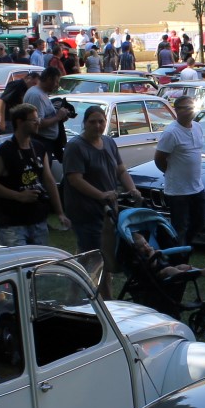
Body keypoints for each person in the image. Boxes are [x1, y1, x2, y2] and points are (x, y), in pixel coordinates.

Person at [64, 105, 142, 292]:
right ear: (84, 123)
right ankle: (92, 299)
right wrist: (101, 195)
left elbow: (121, 170)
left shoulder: (109, 142)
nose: (97, 126)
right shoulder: (76, 147)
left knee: (101, 255)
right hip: (85, 210)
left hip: (108, 212)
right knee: (94, 257)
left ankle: (92, 294)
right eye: (93, 122)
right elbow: (75, 180)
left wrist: (132, 188)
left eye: (101, 121)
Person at [0, 102, 68, 245]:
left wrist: (60, 212)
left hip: (38, 220)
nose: (38, 123)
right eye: (33, 120)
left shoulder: (39, 148)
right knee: (20, 265)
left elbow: (49, 180)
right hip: (12, 223)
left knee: (40, 264)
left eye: (37, 119)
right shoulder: (4, 152)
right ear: (20, 122)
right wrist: (19, 196)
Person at [155, 95, 205, 246]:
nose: (190, 111)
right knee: (180, 228)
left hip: (197, 187)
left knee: (200, 221)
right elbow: (159, 159)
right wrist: (170, 173)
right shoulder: (171, 133)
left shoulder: (197, 127)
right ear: (176, 110)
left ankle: (185, 250)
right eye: (185, 108)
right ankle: (178, 260)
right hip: (178, 192)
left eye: (192, 107)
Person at [23, 66, 68, 160]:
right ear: (48, 79)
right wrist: (58, 117)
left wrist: (61, 116)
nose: (57, 85)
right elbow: (37, 123)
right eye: (56, 81)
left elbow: (47, 116)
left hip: (47, 144)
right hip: (41, 143)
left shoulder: (42, 93)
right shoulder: (36, 95)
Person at [130, 231, 205, 279]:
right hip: (156, 275)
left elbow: (164, 256)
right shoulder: (142, 258)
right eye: (141, 246)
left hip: (164, 268)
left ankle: (200, 271)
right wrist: (152, 254)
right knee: (169, 269)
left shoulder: (152, 251)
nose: (145, 246)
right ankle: (183, 275)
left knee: (182, 265)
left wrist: (159, 252)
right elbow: (152, 265)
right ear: (137, 250)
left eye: (145, 243)